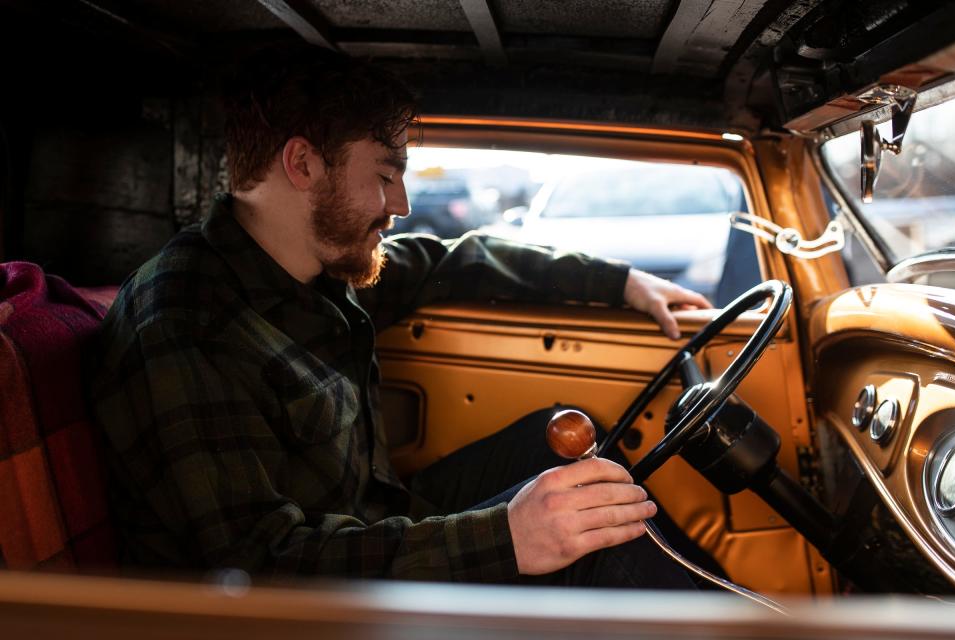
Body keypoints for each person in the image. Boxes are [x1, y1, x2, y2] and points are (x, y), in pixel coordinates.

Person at [90, 47, 712, 587]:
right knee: (599, 535)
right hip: (304, 602)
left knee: (561, 448)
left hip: (375, 528)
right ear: (303, 164)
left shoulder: (319, 269)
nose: (403, 204)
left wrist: (619, 281)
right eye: (386, 175)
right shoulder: (185, 320)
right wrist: (509, 539)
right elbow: (255, 561)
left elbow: (458, 260)